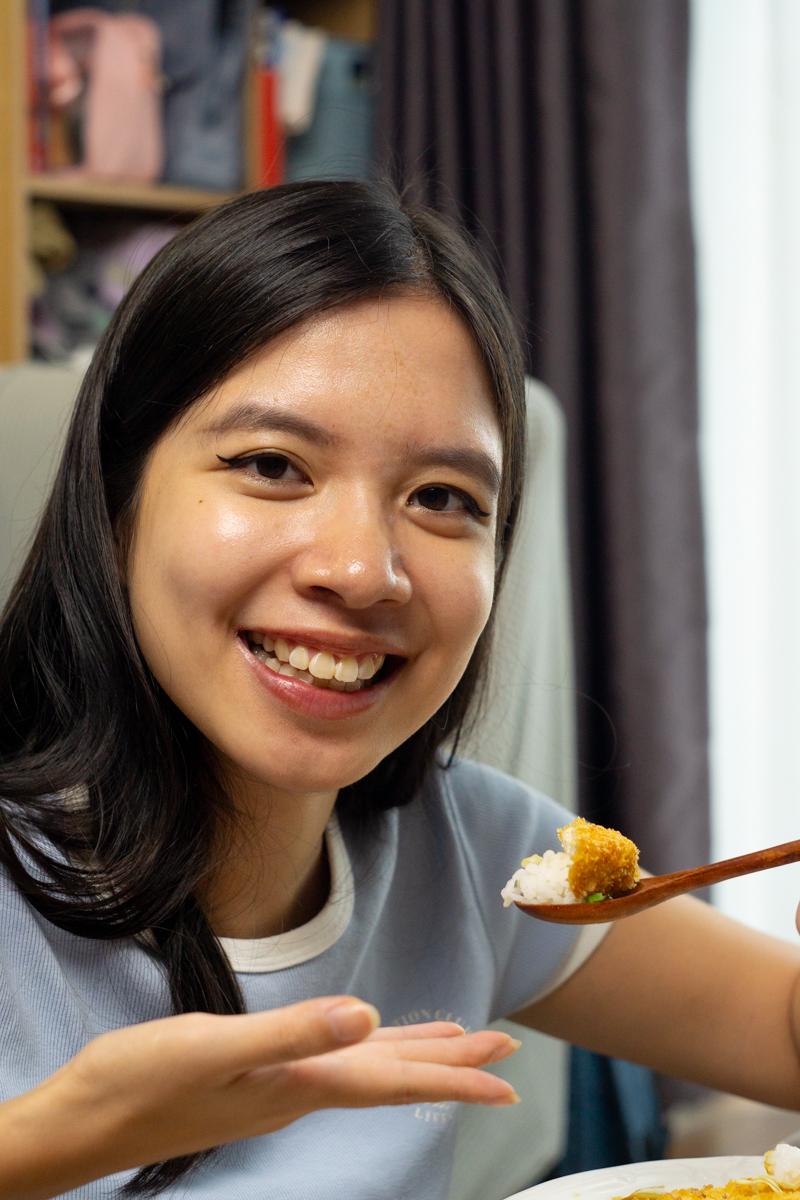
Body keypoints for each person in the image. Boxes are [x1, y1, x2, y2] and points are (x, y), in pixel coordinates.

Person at [0, 181, 798, 1200]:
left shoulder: (463, 850)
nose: (362, 569)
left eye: (440, 498)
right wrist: (47, 1140)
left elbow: (782, 1029)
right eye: (272, 465)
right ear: (117, 501)